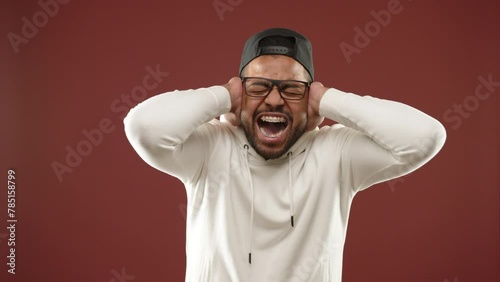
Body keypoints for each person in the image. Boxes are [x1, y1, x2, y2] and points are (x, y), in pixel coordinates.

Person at [124, 28, 446, 282]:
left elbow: (424, 137)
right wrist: (226, 95)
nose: (275, 100)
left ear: (309, 99)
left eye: (292, 89)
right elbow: (143, 127)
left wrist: (328, 99)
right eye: (259, 86)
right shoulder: (210, 148)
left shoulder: (335, 154)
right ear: (241, 93)